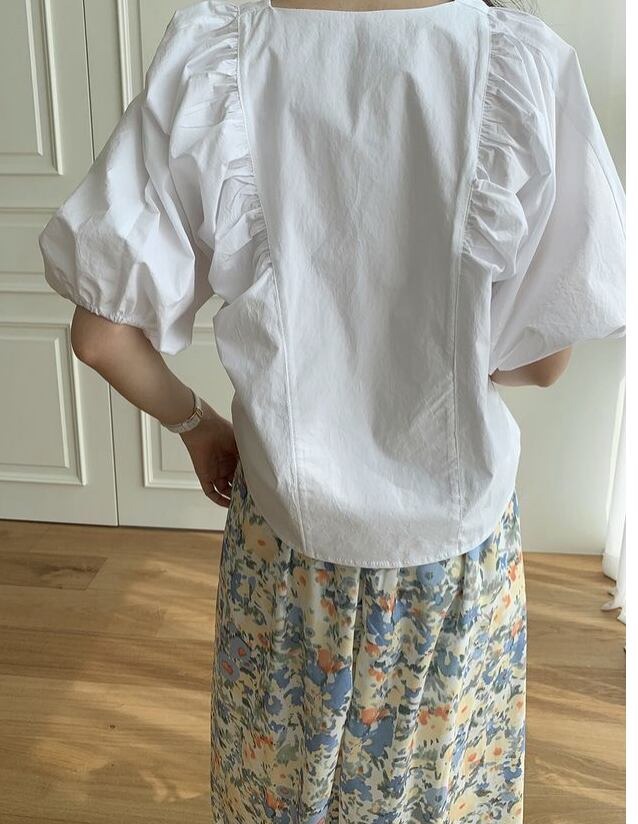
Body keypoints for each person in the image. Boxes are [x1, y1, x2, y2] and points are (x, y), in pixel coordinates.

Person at [38, 0, 625, 820]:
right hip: (454, 559)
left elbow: (101, 336)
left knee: (276, 794)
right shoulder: (519, 61)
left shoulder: (221, 58)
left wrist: (197, 426)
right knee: (439, 795)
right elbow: (546, 358)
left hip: (286, 550)